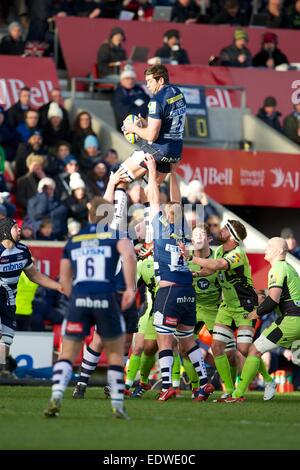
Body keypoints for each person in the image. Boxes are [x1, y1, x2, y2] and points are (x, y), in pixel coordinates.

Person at [44, 196, 137, 419]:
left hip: (80, 298)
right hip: (106, 296)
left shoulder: (74, 239)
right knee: (115, 352)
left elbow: (64, 279)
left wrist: (74, 294)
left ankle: (56, 395)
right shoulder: (115, 236)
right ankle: (117, 404)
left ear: (88, 214)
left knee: (67, 353)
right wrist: (131, 289)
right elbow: (129, 255)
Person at [146, 153, 214, 401]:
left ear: (165, 214)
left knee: (165, 342)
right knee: (188, 341)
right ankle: (204, 383)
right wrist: (173, 171)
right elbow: (176, 200)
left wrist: (153, 170)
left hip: (169, 290)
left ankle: (166, 386)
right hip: (188, 289)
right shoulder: (184, 228)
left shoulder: (159, 227)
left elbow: (153, 193)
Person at [181, 219, 269, 400]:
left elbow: (218, 265)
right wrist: (196, 273)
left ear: (231, 235)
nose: (219, 230)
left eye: (224, 229)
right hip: (226, 307)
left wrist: (190, 258)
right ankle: (229, 391)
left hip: (245, 306)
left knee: (244, 350)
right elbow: (211, 270)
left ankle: (267, 380)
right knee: (217, 346)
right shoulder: (220, 250)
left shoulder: (238, 254)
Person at [118, 64, 187, 241]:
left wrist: (133, 127)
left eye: (150, 81)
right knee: (149, 190)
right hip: (174, 151)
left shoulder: (156, 100)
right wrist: (146, 123)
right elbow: (165, 123)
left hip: (156, 150)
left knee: (118, 179)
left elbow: (151, 135)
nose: (147, 85)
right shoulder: (178, 93)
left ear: (161, 80)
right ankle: (151, 237)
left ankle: (114, 229)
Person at [230, 237, 300, 402]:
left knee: (254, 350)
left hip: (291, 320)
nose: (266, 249)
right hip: (293, 319)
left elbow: (272, 301)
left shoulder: (277, 268)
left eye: (269, 246)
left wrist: (254, 314)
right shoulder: (289, 268)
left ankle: (237, 394)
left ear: (278, 251)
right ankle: (268, 382)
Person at [0, 218, 62, 375]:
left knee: (5, 344)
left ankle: (3, 370)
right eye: (15, 227)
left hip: (9, 304)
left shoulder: (22, 251)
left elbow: (35, 275)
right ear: (6, 231)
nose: (19, 229)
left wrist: (59, 286)